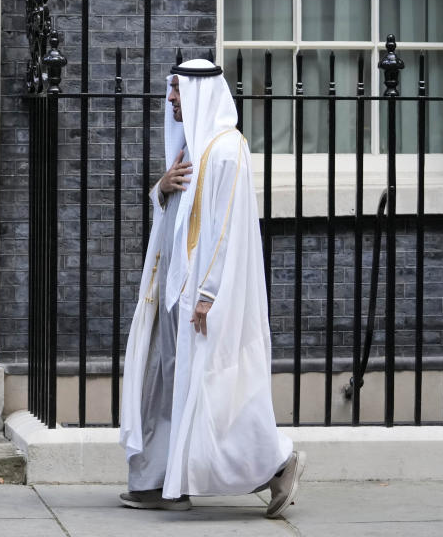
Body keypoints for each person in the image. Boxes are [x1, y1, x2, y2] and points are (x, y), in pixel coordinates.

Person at [118, 59, 305, 518]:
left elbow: (227, 230)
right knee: (166, 386)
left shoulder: (225, 149)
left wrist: (208, 294)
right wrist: (159, 189)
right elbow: (177, 219)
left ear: (200, 92)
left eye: (178, 91)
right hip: (171, 293)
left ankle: (276, 463)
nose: (171, 99)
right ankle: (158, 481)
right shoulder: (193, 149)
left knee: (214, 391)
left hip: (198, 299)